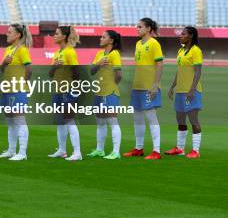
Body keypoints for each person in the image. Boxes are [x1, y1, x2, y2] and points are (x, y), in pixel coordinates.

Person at [123, 18, 164, 160]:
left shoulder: (154, 43)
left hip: (149, 86)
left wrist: (155, 85)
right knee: (137, 118)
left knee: (151, 117)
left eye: (140, 26)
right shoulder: (138, 44)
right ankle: (138, 148)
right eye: (137, 26)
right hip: (138, 86)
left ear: (148, 29)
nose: (137, 28)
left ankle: (156, 151)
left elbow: (160, 65)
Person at [165, 27, 203, 158]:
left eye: (183, 34)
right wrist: (172, 87)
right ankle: (180, 149)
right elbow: (179, 71)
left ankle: (195, 151)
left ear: (191, 36)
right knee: (180, 120)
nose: (180, 36)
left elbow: (198, 71)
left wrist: (192, 89)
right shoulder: (181, 51)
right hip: (181, 91)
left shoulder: (196, 51)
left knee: (193, 119)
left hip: (191, 91)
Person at [0, 24, 32, 161]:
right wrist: (4, 63)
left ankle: (22, 152)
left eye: (9, 32)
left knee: (19, 120)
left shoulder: (22, 50)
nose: (7, 34)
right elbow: (2, 69)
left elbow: (29, 69)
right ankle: (11, 150)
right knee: (10, 121)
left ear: (18, 35)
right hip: (7, 89)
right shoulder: (8, 50)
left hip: (17, 90)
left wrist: (23, 83)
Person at [48, 26, 82, 161]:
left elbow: (77, 72)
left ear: (64, 36)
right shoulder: (57, 53)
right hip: (57, 91)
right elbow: (50, 74)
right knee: (60, 121)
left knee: (69, 120)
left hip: (67, 91)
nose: (54, 36)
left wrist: (74, 90)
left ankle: (77, 152)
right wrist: (55, 66)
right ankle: (62, 150)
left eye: (56, 34)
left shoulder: (69, 52)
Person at [89, 30, 122, 160]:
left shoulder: (114, 54)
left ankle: (116, 151)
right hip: (99, 92)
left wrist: (112, 86)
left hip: (110, 92)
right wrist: (98, 64)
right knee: (100, 122)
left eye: (103, 37)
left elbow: (119, 74)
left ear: (111, 40)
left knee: (112, 121)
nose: (100, 38)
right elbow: (91, 71)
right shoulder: (99, 54)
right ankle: (100, 150)